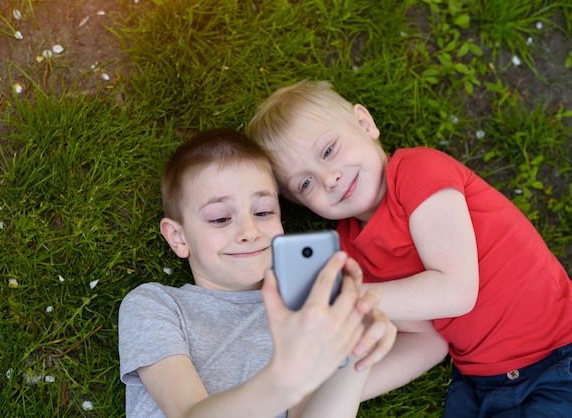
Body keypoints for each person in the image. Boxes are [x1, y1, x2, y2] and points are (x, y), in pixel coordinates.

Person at [246, 80, 572, 417]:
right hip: (485, 384)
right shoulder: (350, 254)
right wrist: (325, 393)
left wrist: (348, 298)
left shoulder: (418, 171)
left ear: (364, 123)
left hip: (559, 354)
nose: (329, 178)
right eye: (305, 183)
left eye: (329, 151)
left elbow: (456, 290)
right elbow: (428, 341)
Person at [118, 128, 399, 418]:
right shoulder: (155, 305)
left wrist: (353, 355)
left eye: (263, 212)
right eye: (220, 218)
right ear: (178, 237)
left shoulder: (305, 313)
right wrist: (286, 379)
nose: (249, 232)